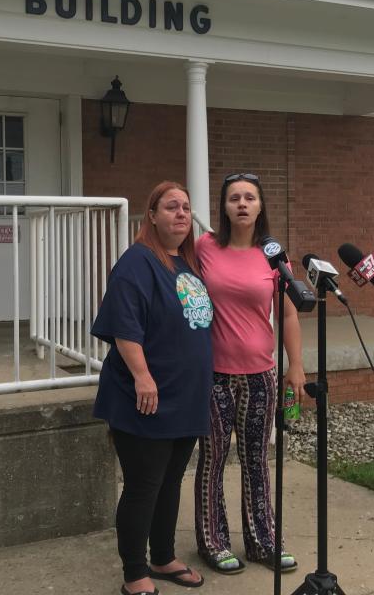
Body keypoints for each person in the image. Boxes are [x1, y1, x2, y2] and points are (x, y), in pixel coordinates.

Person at [92, 181, 214, 595]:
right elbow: (124, 325)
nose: (181, 213)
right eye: (171, 207)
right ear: (153, 215)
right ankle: (134, 573)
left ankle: (163, 556)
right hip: (145, 396)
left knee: (171, 480)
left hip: (186, 396)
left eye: (185, 207)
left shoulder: (187, 263)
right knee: (144, 484)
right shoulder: (137, 261)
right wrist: (143, 377)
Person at [193, 172, 306, 575]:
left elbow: (289, 312)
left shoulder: (274, 256)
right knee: (214, 459)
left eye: (250, 198)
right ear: (223, 207)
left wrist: (296, 365)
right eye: (234, 198)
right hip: (214, 375)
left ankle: (262, 541)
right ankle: (213, 541)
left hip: (261, 374)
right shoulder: (204, 248)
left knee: (257, 460)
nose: (242, 204)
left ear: (261, 206)